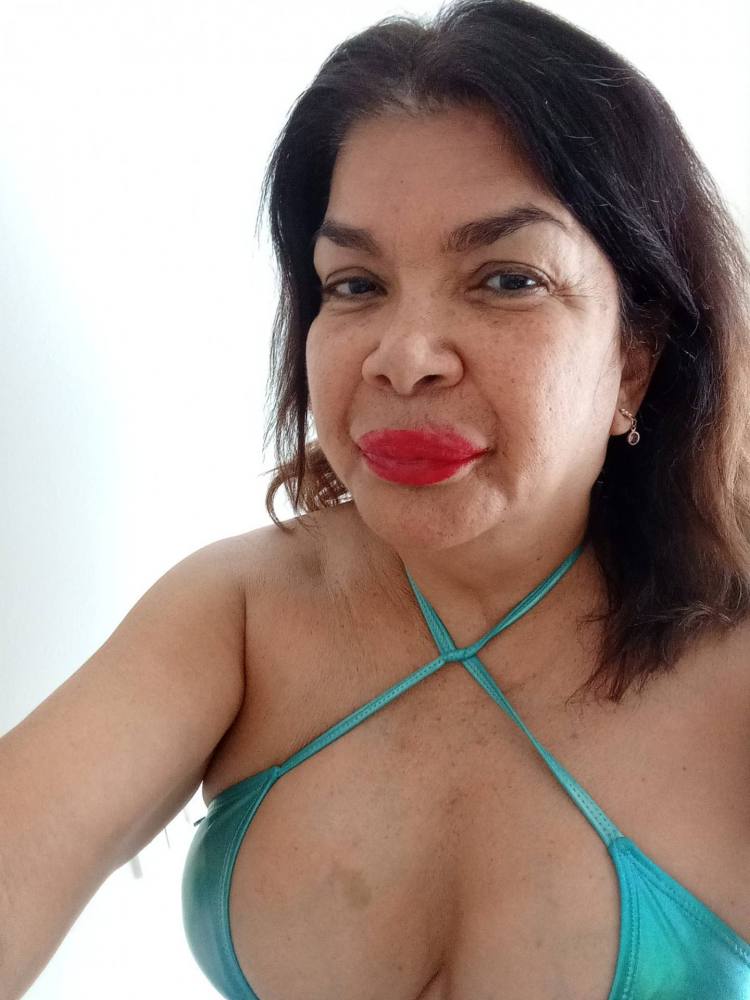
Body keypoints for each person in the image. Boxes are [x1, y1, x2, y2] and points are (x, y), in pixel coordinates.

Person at [2, 0, 749, 998]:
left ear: (634, 361)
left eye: (507, 279)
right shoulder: (240, 617)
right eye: (354, 285)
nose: (403, 357)